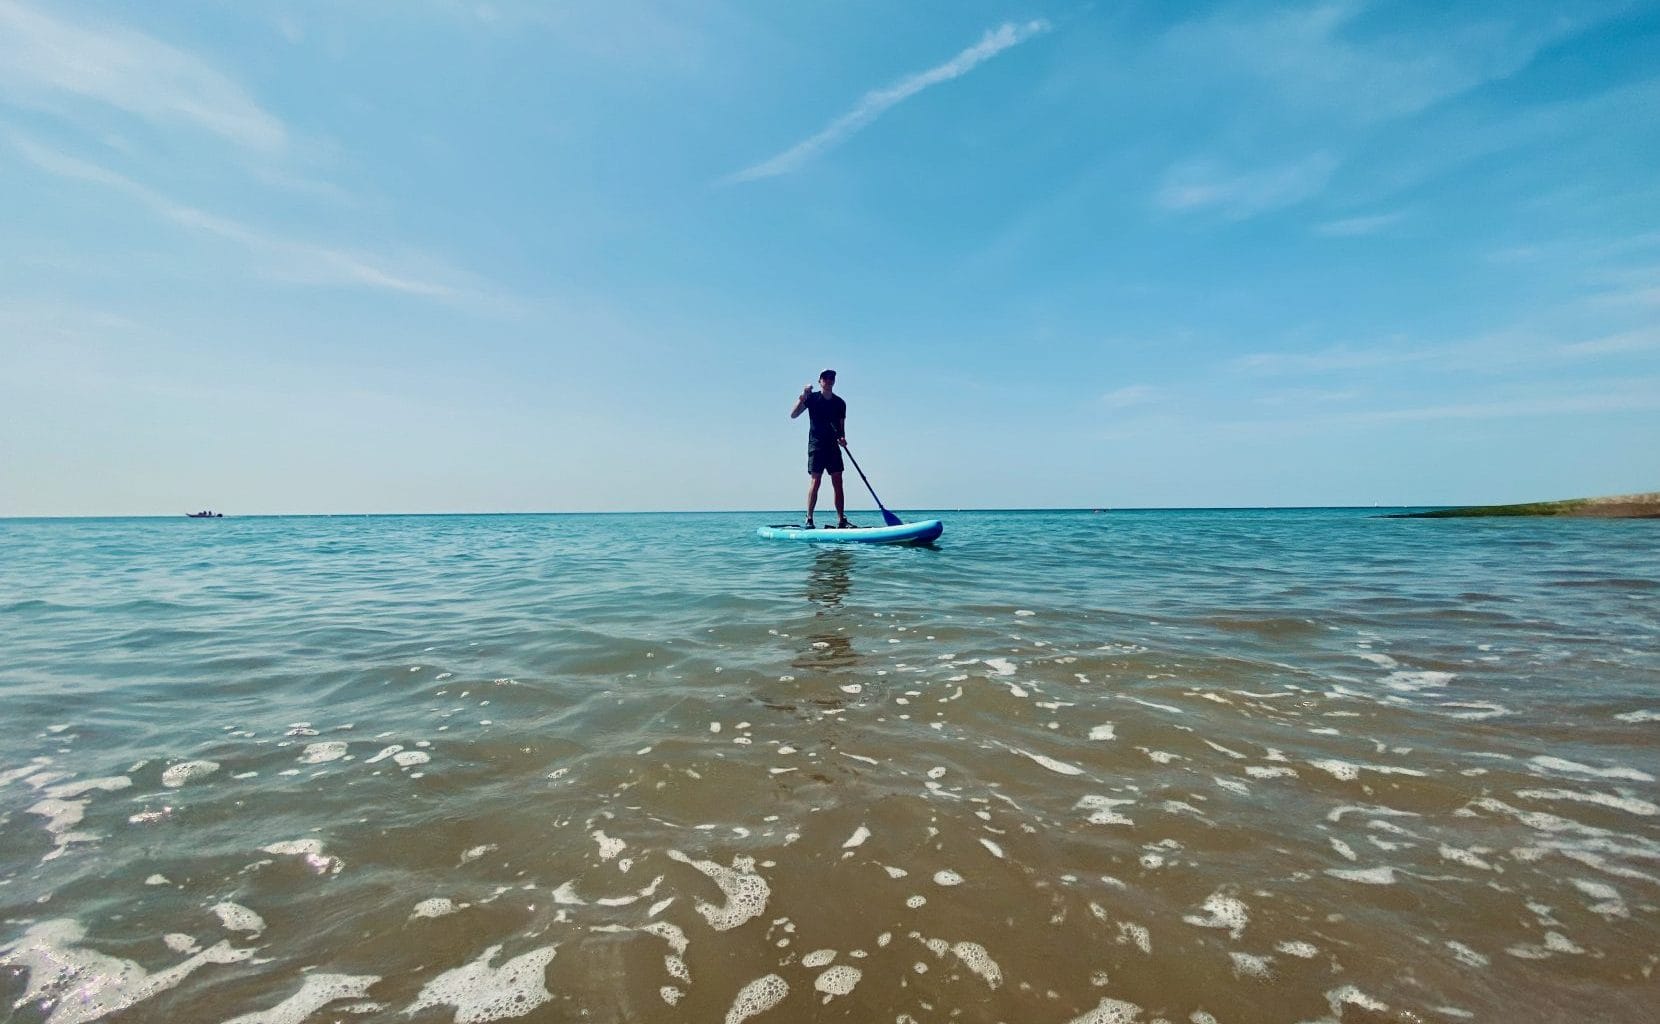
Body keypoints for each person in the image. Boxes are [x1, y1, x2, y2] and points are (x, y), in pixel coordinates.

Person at [789, 369, 851, 529]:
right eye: (826, 378)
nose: (829, 380)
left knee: (838, 482)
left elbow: (841, 428)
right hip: (816, 445)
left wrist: (842, 439)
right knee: (816, 481)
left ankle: (841, 520)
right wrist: (803, 395)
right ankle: (809, 518)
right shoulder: (812, 398)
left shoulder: (840, 403)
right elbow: (794, 414)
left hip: (833, 447)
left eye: (832, 378)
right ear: (820, 381)